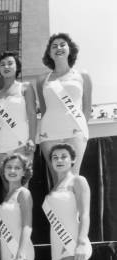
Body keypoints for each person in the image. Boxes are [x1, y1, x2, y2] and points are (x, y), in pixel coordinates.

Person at [37, 34, 92, 183]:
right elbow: (43, 109)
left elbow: (87, 108)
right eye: (54, 46)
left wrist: (81, 129)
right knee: (58, 180)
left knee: (72, 179)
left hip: (74, 132)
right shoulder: (42, 80)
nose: (58, 48)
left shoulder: (82, 75)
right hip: (49, 133)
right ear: (49, 53)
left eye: (62, 44)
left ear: (70, 49)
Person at [0, 52, 37, 185]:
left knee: (22, 187)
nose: (6, 66)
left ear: (17, 67)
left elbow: (32, 115)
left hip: (22, 143)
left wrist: (32, 139)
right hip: (2, 145)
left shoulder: (25, 87)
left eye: (10, 63)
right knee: (7, 187)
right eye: (2, 64)